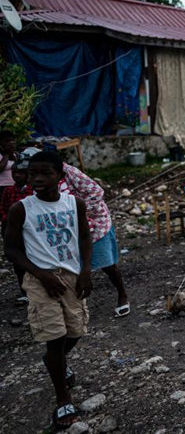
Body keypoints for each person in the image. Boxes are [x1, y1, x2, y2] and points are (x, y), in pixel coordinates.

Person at [4, 151, 92, 430]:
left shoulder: (74, 203)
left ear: (61, 176)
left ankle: (55, 360)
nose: (38, 179)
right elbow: (11, 248)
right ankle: (63, 398)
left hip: (71, 275)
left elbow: (85, 237)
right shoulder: (22, 209)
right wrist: (41, 274)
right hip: (40, 280)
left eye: (46, 173)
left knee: (76, 331)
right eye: (33, 174)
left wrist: (86, 271)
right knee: (55, 336)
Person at [59, 162, 129, 317]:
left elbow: (96, 191)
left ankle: (122, 294)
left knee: (107, 263)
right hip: (67, 228)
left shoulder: (69, 172)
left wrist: (78, 211)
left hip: (93, 222)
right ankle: (75, 305)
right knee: (71, 267)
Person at [1, 157, 34, 303]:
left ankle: (35, 289)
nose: (17, 175)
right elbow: (3, 209)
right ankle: (24, 291)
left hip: (30, 231)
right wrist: (7, 221)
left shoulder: (33, 190)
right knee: (18, 263)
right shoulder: (9, 191)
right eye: (14, 172)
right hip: (14, 231)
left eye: (21, 173)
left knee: (33, 259)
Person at [0, 130, 17, 195]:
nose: (10, 143)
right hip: (2, 187)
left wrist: (11, 154)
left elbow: (19, 168)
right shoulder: (2, 155)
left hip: (14, 186)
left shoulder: (15, 154)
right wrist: (6, 155)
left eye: (12, 141)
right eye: (6, 141)